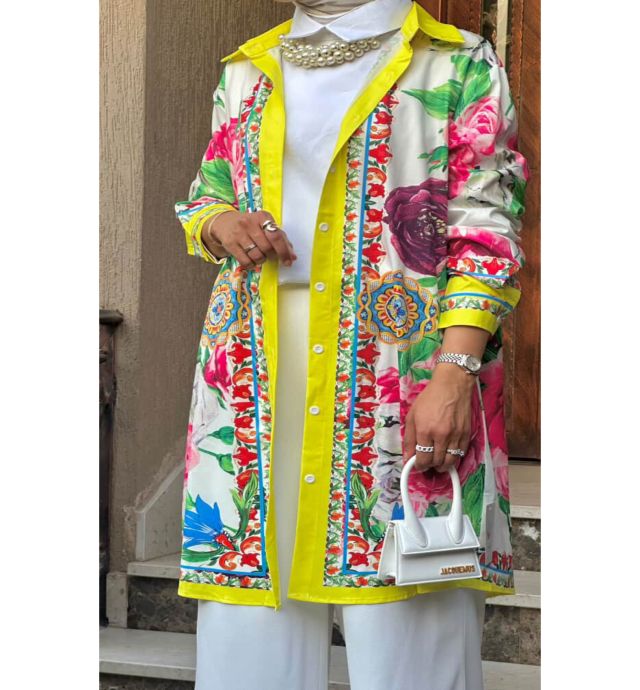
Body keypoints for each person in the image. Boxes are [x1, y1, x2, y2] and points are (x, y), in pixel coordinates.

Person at [174, 1, 528, 688]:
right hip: (253, 378)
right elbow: (207, 193)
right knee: (248, 631)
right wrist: (222, 224)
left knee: (411, 632)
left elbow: (487, 227)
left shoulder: (456, 62)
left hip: (401, 373)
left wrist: (455, 373)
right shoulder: (248, 68)